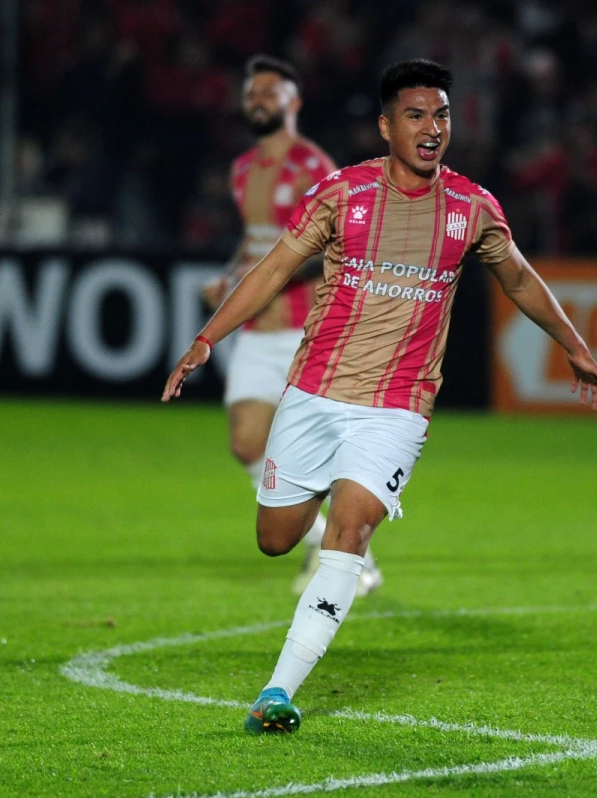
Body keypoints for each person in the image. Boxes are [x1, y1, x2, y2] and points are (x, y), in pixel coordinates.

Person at [163, 59, 597, 734]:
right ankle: (310, 511)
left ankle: (278, 689)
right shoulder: (341, 194)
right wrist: (208, 339)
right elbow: (274, 270)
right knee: (275, 537)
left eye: (441, 115)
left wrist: (574, 345)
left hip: (399, 405)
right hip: (315, 392)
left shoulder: (472, 208)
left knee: (349, 532)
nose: (432, 129)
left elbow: (520, 280)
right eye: (415, 115)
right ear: (386, 127)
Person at [204, 55, 382, 595]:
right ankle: (331, 540)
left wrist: (274, 278)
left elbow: (336, 242)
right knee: (245, 442)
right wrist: (233, 277)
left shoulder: (314, 168)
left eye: (270, 92)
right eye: (251, 93)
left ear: (294, 102)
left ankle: (350, 554)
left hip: (310, 329)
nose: (258, 100)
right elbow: (258, 241)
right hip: (259, 333)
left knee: (321, 449)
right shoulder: (241, 170)